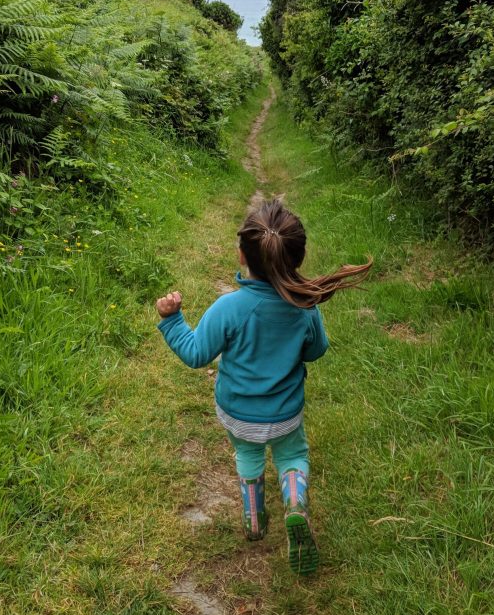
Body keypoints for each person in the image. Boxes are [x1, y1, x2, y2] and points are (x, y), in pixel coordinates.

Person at [156, 197, 371, 575]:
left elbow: (195, 354)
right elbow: (317, 350)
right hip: (286, 413)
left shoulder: (228, 308)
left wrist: (173, 321)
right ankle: (294, 501)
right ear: (298, 259)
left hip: (238, 413)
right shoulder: (305, 307)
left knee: (249, 456)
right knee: (291, 455)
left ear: (242, 255)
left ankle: (254, 517)